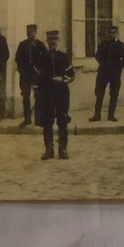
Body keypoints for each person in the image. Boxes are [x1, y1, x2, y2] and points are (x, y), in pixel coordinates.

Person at [35, 30, 75, 160]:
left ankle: (62, 149)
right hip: (46, 93)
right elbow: (37, 76)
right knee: (47, 121)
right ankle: (49, 150)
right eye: (50, 39)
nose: (53, 42)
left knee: (62, 120)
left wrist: (63, 79)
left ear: (58, 40)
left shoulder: (64, 57)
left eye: (55, 39)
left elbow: (71, 75)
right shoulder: (42, 57)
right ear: (47, 41)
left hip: (61, 93)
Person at [90, 24, 124, 122]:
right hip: (103, 73)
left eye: (113, 33)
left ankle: (111, 115)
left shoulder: (121, 45)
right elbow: (97, 55)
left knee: (114, 94)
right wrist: (103, 64)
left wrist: (119, 66)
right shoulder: (103, 44)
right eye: (109, 33)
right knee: (99, 93)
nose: (111, 35)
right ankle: (97, 115)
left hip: (115, 74)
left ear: (117, 34)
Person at [14, 23, 47, 128]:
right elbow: (17, 59)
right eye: (28, 32)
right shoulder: (22, 44)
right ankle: (27, 119)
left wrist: (40, 71)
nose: (30, 34)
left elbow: (46, 59)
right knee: (26, 97)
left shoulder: (40, 45)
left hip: (36, 75)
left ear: (35, 32)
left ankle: (38, 119)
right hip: (25, 75)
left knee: (38, 96)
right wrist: (21, 71)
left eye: (32, 32)